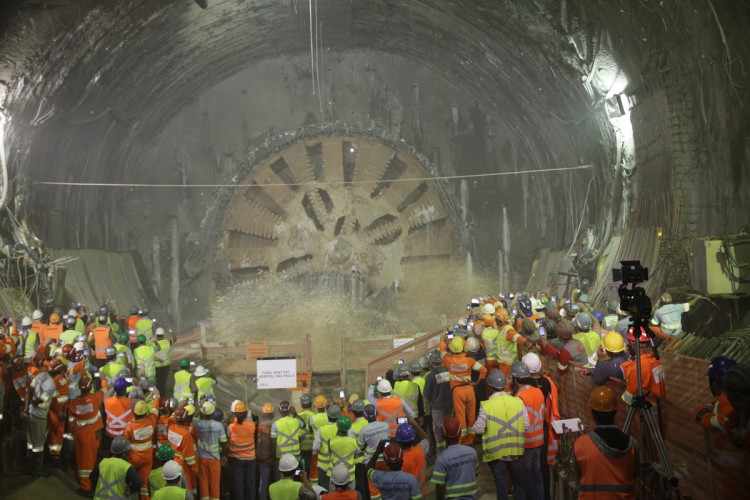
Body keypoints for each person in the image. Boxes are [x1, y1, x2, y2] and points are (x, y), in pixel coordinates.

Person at [471, 369, 527, 500]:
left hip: (497, 454)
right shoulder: (518, 401)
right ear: (504, 385)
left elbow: (479, 429)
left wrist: (471, 428)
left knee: (501, 486)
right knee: (519, 485)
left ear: (490, 387)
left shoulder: (487, 405)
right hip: (516, 451)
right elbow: (526, 425)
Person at [574, 386, 636, 499]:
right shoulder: (632, 445)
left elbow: (576, 477)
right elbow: (635, 475)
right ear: (615, 411)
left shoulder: (581, 444)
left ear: (592, 413)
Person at [442, 336, 487, 444]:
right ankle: (471, 439)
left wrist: (444, 341)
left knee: (460, 417)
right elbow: (483, 370)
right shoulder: (469, 361)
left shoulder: (447, 360)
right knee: (471, 415)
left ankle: (462, 440)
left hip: (457, 392)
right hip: (470, 390)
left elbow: (443, 351)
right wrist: (476, 382)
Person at [511, 361, 545, 500]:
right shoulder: (538, 391)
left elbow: (519, 424)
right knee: (537, 478)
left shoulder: (520, 397)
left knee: (523, 481)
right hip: (539, 441)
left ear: (515, 379)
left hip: (526, 443)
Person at [68, 374, 104, 494]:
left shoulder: (73, 403)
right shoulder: (96, 398)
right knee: (92, 461)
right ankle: (90, 486)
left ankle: (86, 487)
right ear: (90, 387)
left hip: (81, 436)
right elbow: (103, 391)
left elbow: (71, 421)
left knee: (83, 462)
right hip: (95, 435)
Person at [430, 416, 478, 500]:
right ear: (460, 434)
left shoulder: (442, 459)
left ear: (443, 435)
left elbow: (440, 487)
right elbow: (475, 473)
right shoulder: (472, 452)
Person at [620, 328, 665, 406]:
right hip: (658, 402)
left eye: (629, 342)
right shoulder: (655, 361)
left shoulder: (637, 368)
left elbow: (628, 397)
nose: (628, 345)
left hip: (645, 406)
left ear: (634, 343)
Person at [27, 364, 57, 476]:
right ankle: (37, 470)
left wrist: (28, 405)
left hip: (31, 413)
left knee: (30, 442)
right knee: (38, 445)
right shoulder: (51, 384)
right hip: (39, 416)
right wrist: (35, 402)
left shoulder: (40, 375)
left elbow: (29, 390)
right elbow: (41, 400)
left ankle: (29, 466)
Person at [193, 400, 226, 500]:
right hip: (215, 459)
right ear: (213, 413)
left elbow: (194, 416)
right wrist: (223, 456)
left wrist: (200, 409)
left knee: (203, 483)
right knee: (215, 483)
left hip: (202, 458)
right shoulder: (219, 425)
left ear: (203, 413)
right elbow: (224, 442)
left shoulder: (197, 424)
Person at [125, 400, 158, 500]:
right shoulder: (151, 420)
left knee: (130, 479)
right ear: (145, 413)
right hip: (148, 457)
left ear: (134, 412)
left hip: (133, 457)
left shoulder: (130, 426)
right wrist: (156, 398)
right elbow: (155, 411)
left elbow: (125, 442)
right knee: (144, 481)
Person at [696, 356, 738, 433]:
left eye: (711, 380)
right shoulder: (739, 394)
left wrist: (704, 415)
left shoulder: (727, 404)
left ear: (715, 383)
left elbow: (703, 418)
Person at [226, 399, 256, 500]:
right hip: (251, 459)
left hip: (236, 460)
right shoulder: (252, 425)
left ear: (234, 413)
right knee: (250, 484)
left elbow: (227, 440)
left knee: (238, 485)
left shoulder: (231, 427)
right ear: (246, 413)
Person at [423, 349, 452, 454]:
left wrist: (426, 411)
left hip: (437, 408)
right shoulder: (448, 372)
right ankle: (451, 448)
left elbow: (426, 395)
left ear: (431, 363)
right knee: (449, 427)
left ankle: (441, 453)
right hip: (449, 405)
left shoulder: (430, 376)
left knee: (438, 431)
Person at [168, 404, 198, 495]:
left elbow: (171, 418)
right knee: (187, 492)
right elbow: (190, 459)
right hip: (184, 467)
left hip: (173, 461)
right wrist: (196, 470)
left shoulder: (171, 427)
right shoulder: (186, 435)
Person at [395, 423, 428, 497]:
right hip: (421, 491)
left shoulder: (399, 457)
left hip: (408, 493)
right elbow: (425, 438)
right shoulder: (420, 450)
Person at [314, 404, 342, 489]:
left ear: (327, 415)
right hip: (338, 464)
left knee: (323, 489)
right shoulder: (342, 429)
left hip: (323, 466)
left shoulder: (321, 430)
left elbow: (315, 448)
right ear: (339, 416)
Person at [329, 416, 360, 489]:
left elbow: (329, 454)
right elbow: (357, 455)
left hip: (335, 475)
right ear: (349, 428)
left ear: (337, 426)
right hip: (350, 475)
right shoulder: (354, 441)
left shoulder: (331, 442)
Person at [105, 377, 133, 449]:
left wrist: (114, 388)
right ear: (125, 390)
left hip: (110, 434)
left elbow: (105, 396)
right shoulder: (131, 402)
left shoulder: (107, 401)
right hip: (125, 435)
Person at [257, 402, 276, 500]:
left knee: (263, 483)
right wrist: (272, 457)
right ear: (272, 414)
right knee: (275, 482)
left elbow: (259, 444)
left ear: (263, 414)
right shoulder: (275, 425)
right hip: (272, 458)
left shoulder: (259, 426)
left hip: (262, 459)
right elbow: (273, 443)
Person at [298, 394, 316, 474]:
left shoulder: (297, 416)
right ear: (311, 404)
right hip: (312, 446)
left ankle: (299, 479)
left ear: (301, 404)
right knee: (310, 466)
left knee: (300, 466)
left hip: (301, 445)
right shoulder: (315, 416)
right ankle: (308, 480)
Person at [154, 327, 172, 395]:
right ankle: (164, 394)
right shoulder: (167, 342)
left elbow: (152, 356)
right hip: (166, 366)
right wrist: (171, 333)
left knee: (158, 382)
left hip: (158, 366)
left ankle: (159, 395)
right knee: (164, 382)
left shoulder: (154, 344)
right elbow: (174, 339)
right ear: (163, 335)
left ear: (156, 335)